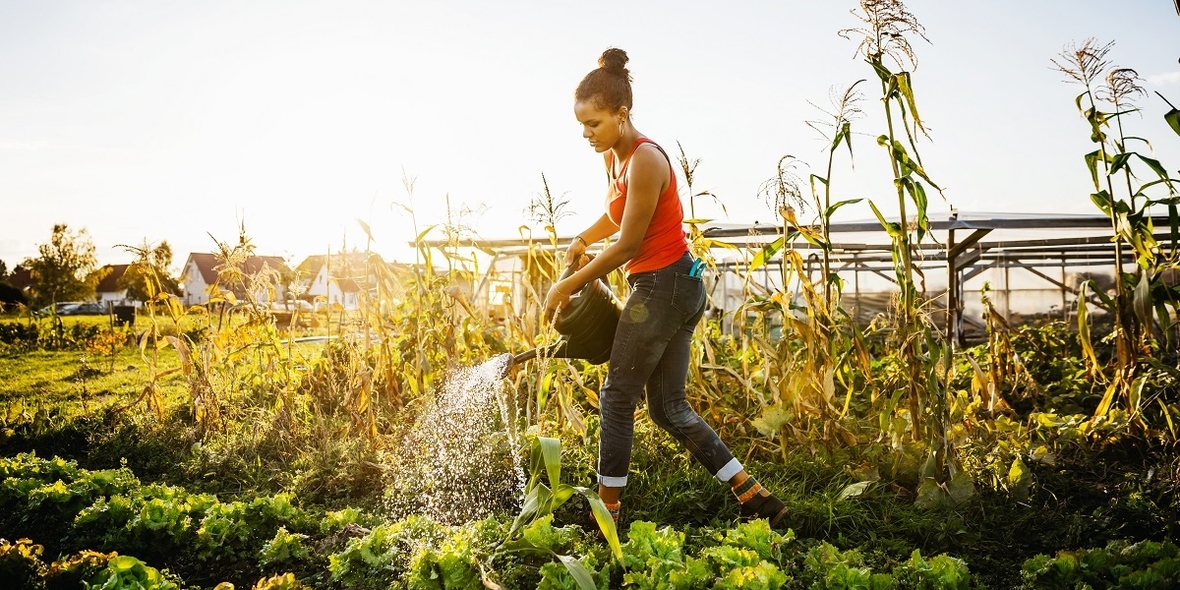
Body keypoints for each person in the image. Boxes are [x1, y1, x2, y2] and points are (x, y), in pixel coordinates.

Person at [543, 48, 788, 528]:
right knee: (668, 408)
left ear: (621, 114)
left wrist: (566, 285)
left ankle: (606, 514)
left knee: (616, 396)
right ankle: (756, 497)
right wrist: (581, 239)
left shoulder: (646, 160)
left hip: (664, 287)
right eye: (582, 125)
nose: (586, 134)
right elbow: (617, 216)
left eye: (593, 123)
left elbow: (630, 243)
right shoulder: (615, 160)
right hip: (671, 286)